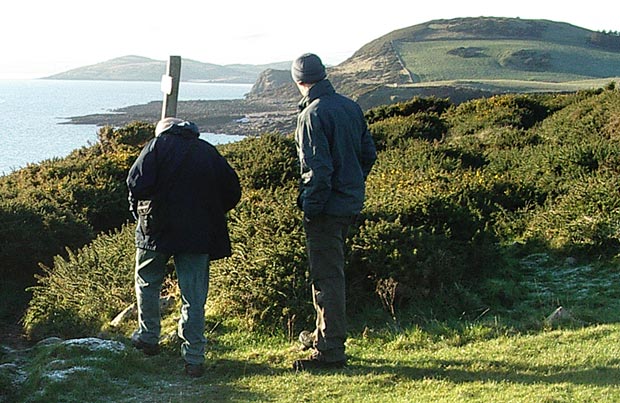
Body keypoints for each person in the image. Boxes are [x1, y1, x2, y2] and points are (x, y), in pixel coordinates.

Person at [126, 117, 241, 378]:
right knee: (194, 294)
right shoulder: (207, 150)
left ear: (163, 131)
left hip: (155, 229)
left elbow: (135, 183)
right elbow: (232, 190)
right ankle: (194, 358)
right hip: (197, 233)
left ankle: (148, 337)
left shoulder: (155, 147)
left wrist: (139, 212)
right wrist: (210, 212)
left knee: (147, 282)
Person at [291, 53, 377, 371]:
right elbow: (368, 153)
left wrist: (311, 208)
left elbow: (318, 172)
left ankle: (330, 351)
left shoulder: (312, 114)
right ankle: (322, 334)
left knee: (326, 277)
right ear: (323, 75)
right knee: (333, 273)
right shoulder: (350, 106)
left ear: (298, 80)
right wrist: (351, 184)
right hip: (349, 203)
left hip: (327, 209)